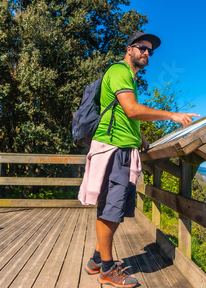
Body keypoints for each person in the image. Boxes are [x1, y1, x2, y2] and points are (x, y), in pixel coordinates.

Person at [78, 32, 199, 287]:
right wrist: (172, 115)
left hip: (121, 147)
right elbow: (132, 109)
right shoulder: (119, 71)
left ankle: (98, 259)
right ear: (129, 49)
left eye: (150, 51)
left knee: (113, 208)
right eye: (142, 48)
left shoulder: (128, 78)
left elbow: (125, 114)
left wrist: (140, 136)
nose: (146, 53)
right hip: (114, 149)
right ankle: (108, 270)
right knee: (110, 209)